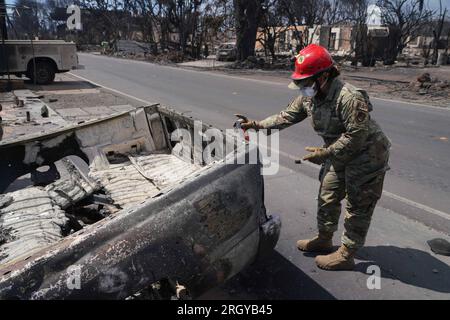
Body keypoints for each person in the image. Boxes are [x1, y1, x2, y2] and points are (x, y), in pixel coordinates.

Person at [235, 44, 391, 271]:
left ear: (324, 76)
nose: (303, 88)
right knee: (327, 195)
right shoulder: (310, 96)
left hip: (367, 155)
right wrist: (256, 125)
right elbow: (286, 116)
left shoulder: (349, 98)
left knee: (358, 206)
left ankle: (347, 253)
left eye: (306, 83)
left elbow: (355, 137)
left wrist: (325, 153)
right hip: (337, 154)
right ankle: (325, 238)